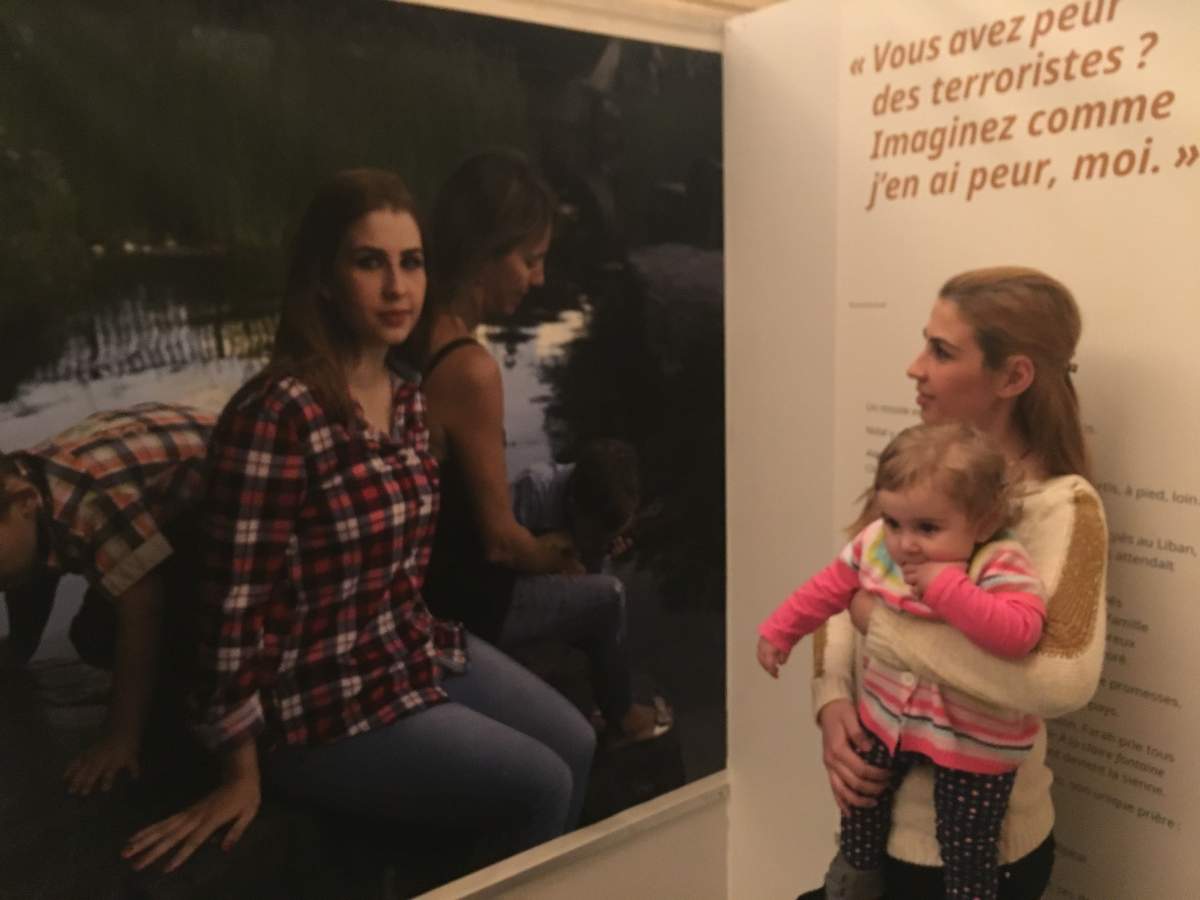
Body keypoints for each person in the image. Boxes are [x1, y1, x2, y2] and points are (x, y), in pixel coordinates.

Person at [122, 168, 594, 876]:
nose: (397, 287)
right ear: (323, 279)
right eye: (370, 263)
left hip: (402, 649)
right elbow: (230, 611)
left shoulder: (406, 398)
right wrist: (238, 771)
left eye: (412, 262)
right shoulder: (278, 412)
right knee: (543, 786)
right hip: (315, 705)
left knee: (578, 743)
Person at [799, 267, 1108, 899]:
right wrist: (831, 703)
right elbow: (845, 585)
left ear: (1013, 377)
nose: (915, 368)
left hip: (982, 858)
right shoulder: (927, 466)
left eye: (941, 352)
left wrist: (881, 626)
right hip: (876, 829)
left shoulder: (1063, 506)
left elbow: (1061, 679)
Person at [414, 150, 670, 745]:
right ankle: (625, 720)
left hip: (429, 578)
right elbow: (501, 544)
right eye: (530, 260)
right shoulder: (470, 370)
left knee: (552, 506)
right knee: (606, 596)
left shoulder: (416, 335)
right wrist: (565, 553)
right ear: (484, 252)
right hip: (464, 602)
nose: (539, 278)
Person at [759, 423, 1046, 900]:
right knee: (861, 800)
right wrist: (781, 629)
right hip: (887, 714)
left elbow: (1020, 633)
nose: (904, 543)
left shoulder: (1000, 560)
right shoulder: (877, 544)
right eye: (893, 522)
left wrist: (948, 588)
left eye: (927, 528)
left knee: (968, 841)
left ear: (982, 522)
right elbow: (829, 587)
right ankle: (857, 873)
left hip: (973, 739)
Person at [0, 403, 212, 795]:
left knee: (99, 636)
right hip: (166, 504)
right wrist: (17, 652)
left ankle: (178, 697)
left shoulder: (87, 502)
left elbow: (143, 606)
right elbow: (31, 575)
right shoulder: (30, 487)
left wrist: (121, 736)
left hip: (229, 507)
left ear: (24, 501)